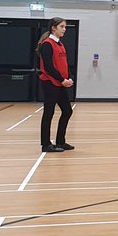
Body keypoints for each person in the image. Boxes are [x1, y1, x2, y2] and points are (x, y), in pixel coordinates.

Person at [36, 17, 75, 153]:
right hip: (50, 83)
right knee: (49, 113)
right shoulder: (48, 44)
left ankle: (60, 141)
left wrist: (68, 77)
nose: (64, 29)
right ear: (53, 27)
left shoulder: (60, 44)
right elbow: (48, 67)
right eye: (62, 27)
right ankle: (45, 144)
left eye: (65, 27)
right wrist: (61, 79)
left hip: (60, 83)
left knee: (67, 111)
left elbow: (64, 64)